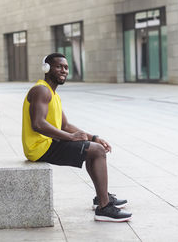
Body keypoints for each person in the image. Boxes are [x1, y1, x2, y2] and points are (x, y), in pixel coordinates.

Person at [22, 53, 132, 222]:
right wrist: (71, 137)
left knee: (93, 147)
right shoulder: (41, 90)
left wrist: (93, 137)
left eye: (66, 67)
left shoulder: (51, 93)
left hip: (46, 143)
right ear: (46, 68)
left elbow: (65, 125)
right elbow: (37, 124)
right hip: (39, 147)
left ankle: (102, 199)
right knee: (97, 152)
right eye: (58, 66)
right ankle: (104, 207)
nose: (63, 70)